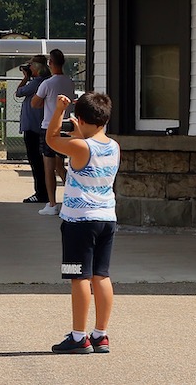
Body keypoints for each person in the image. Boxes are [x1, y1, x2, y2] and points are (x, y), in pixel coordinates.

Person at [45, 91, 119, 354]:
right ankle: (100, 334)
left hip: (79, 221)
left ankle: (78, 337)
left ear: (81, 118)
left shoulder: (80, 146)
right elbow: (87, 157)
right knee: (101, 275)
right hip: (106, 219)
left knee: (79, 277)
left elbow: (51, 139)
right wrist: (80, 134)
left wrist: (57, 111)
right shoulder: (113, 146)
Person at [32, 48, 75, 216]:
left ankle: (52, 204)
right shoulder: (69, 82)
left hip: (49, 127)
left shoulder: (47, 83)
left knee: (48, 167)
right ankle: (71, 198)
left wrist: (44, 100)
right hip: (65, 127)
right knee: (61, 165)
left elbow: (35, 103)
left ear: (50, 63)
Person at [15, 55, 49, 204]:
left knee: (36, 162)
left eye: (31, 65)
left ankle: (40, 193)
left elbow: (19, 92)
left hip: (33, 127)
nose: (29, 68)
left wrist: (25, 77)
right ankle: (43, 192)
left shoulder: (36, 83)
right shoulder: (44, 82)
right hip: (38, 125)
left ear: (37, 67)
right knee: (41, 162)